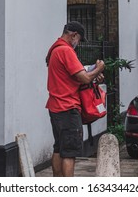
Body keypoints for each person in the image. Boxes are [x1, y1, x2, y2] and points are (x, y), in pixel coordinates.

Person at [45, 21, 105, 177]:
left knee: (59, 149)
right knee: (69, 154)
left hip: (55, 107)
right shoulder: (66, 51)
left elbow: (72, 79)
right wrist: (98, 69)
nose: (77, 44)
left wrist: (92, 77)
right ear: (74, 35)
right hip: (68, 107)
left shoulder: (55, 49)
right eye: (78, 40)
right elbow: (84, 78)